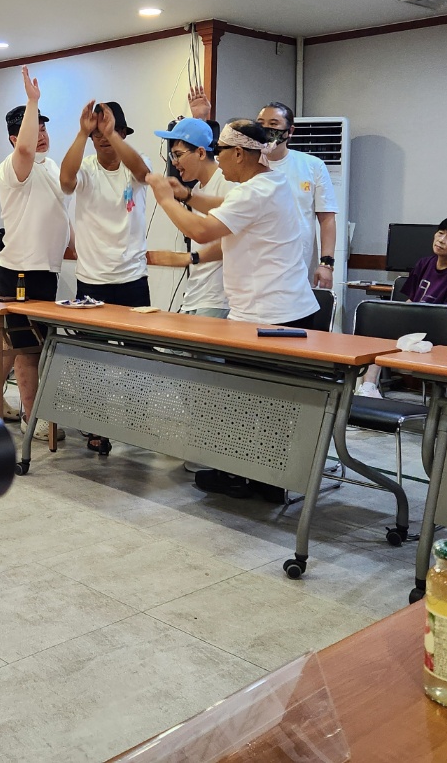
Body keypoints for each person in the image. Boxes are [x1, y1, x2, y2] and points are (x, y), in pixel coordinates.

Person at [147, 119, 319, 500]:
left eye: (220, 152)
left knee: (261, 402)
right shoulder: (270, 183)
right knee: (259, 401)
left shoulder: (255, 192)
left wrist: (165, 199)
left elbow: (201, 231)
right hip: (276, 311)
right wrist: (187, 196)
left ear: (238, 153)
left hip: (270, 316)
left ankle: (264, 479)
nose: (217, 158)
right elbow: (225, 205)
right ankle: (258, 476)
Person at [0, 66, 70, 441]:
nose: (42, 135)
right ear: (15, 138)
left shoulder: (50, 167)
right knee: (29, 350)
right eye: (36, 128)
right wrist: (33, 101)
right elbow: (26, 150)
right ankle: (34, 419)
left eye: (45, 127)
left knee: (26, 343)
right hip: (20, 271)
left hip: (44, 270)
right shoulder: (13, 167)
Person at [61, 99, 152, 453]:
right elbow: (66, 181)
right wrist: (82, 133)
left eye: (110, 131)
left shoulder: (134, 164)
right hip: (92, 280)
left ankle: (138, 420)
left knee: (139, 355)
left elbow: (143, 172)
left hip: (133, 277)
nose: (102, 138)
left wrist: (112, 134)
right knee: (92, 358)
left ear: (123, 132)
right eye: (96, 134)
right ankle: (95, 426)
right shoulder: (85, 169)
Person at [356, 215, 447, 399]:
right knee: (375, 329)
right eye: (440, 233)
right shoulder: (424, 263)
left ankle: (368, 386)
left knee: (383, 333)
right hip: (411, 323)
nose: (441, 240)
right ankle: (368, 387)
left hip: (436, 332)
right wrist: (397, 318)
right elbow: (411, 300)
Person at [144, 117, 230, 317]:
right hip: (196, 295)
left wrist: (188, 258)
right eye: (172, 155)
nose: (174, 162)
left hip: (218, 299)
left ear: (201, 152)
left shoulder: (226, 183)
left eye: (178, 154)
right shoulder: (197, 189)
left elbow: (230, 242)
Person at [256, 102, 339, 293]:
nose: (266, 129)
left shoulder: (312, 165)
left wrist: (326, 264)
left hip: (298, 266)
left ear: (290, 131)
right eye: (260, 123)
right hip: (255, 265)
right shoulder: (247, 165)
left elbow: (327, 218)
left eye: (273, 124)